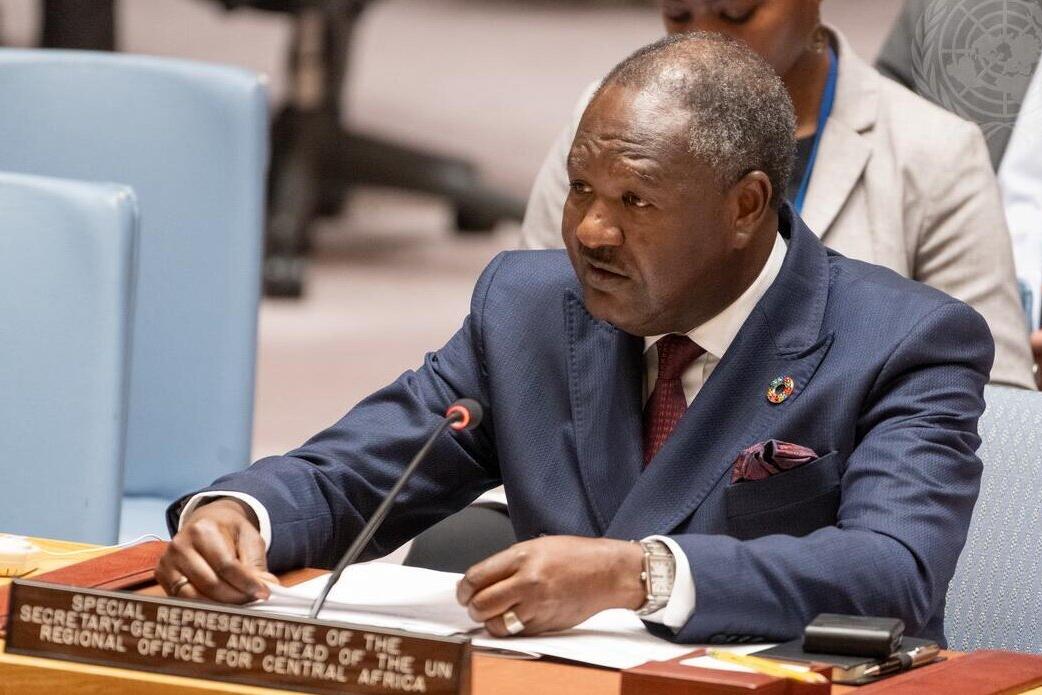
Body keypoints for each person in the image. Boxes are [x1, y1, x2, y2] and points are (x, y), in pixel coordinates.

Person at [159, 32, 988, 645]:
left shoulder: (903, 341)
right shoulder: (527, 306)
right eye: (581, 188)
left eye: (635, 202)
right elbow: (361, 470)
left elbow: (895, 570)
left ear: (745, 206)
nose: (590, 230)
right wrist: (246, 512)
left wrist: (641, 573)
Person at [521, 0, 1033, 389]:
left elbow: (994, 396)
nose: (704, 39)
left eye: (736, 13)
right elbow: (530, 327)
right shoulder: (607, 124)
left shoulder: (935, 151)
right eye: (678, 15)